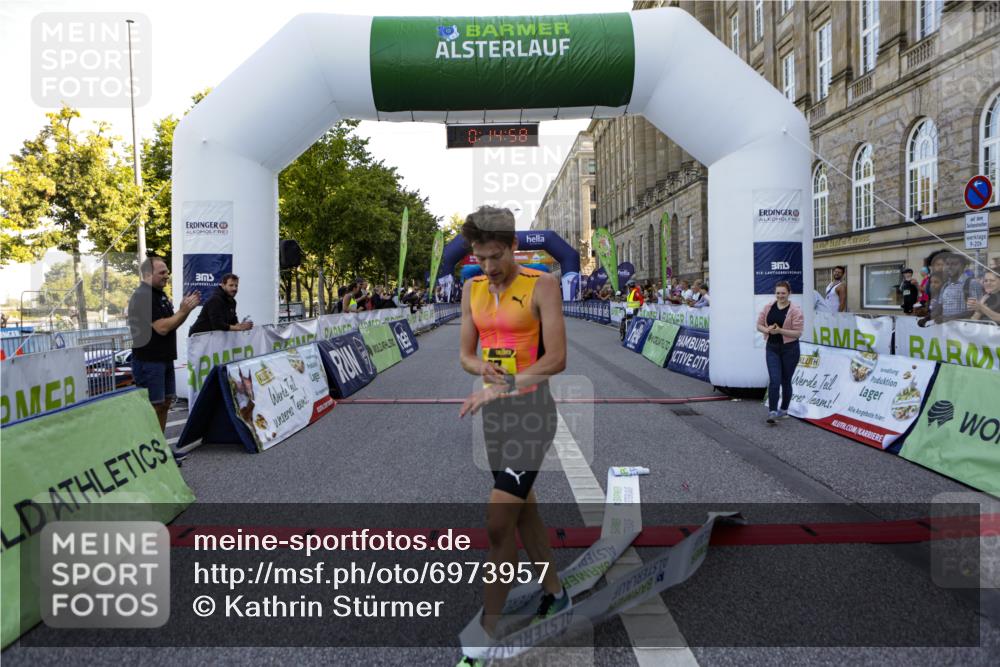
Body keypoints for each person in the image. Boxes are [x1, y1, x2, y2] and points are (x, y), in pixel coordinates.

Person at [456, 206, 568, 666]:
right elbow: (464, 353)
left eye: (496, 256)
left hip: (531, 414)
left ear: (513, 246)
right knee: (524, 512)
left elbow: (558, 359)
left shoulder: (542, 285)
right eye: (480, 258)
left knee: (498, 523)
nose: (489, 267)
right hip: (495, 415)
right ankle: (555, 592)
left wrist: (508, 383)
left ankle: (484, 637)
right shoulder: (472, 289)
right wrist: (479, 368)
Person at [128, 256, 200, 434]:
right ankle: (149, 447)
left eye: (167, 272)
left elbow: (171, 324)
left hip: (164, 359)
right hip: (149, 361)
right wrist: (183, 311)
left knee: (165, 404)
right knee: (153, 407)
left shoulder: (160, 295)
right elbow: (161, 328)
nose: (167, 275)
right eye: (162, 272)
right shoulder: (143, 296)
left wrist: (184, 311)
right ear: (147, 274)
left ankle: (160, 448)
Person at [755, 280, 803, 424]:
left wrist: (780, 330)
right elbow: (759, 325)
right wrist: (767, 330)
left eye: (783, 293)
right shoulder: (768, 307)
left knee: (785, 380)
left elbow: (798, 333)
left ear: (789, 294)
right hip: (772, 348)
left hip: (790, 349)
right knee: (774, 380)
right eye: (778, 293)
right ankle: (772, 412)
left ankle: (784, 409)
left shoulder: (795, 310)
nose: (780, 296)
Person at [923, 252, 984, 324]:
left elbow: (977, 309)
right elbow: (940, 306)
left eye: (954, 264)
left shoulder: (972, 283)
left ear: (964, 266)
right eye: (947, 264)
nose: (949, 267)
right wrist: (927, 318)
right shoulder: (946, 285)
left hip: (965, 329)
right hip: (948, 329)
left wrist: (949, 318)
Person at [188, 274, 253, 335]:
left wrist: (242, 326)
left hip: (213, 338)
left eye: (236, 285)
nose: (234, 289)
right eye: (231, 285)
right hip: (198, 337)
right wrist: (239, 328)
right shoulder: (215, 300)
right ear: (223, 285)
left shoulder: (233, 301)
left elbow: (233, 321)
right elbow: (217, 325)